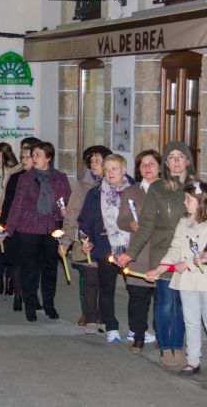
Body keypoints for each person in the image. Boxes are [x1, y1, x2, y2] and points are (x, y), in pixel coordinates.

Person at [117, 141, 195, 367]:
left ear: (188, 161)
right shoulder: (157, 189)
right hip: (162, 251)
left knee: (181, 303)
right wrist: (131, 253)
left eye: (181, 156)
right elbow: (147, 224)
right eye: (172, 157)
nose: (176, 161)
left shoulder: (197, 187)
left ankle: (177, 345)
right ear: (167, 163)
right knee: (164, 303)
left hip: (189, 253)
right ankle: (166, 346)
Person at [5, 142, 71, 322]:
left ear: (48, 158)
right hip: (28, 228)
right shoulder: (25, 178)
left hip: (51, 229)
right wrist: (9, 229)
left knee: (50, 269)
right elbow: (17, 204)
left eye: (38, 155)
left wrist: (65, 211)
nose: (34, 158)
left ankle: (49, 304)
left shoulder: (60, 178)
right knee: (30, 269)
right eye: (33, 155)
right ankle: (31, 305)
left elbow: (66, 200)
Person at [146, 181, 207, 375]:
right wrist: (159, 269)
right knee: (190, 321)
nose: (184, 203)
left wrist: (187, 264)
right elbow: (175, 249)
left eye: (188, 199)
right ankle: (193, 360)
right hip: (187, 282)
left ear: (201, 201)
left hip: (204, 281)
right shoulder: (184, 222)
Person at [78, 154, 134, 344]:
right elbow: (85, 221)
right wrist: (87, 240)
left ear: (124, 170)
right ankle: (110, 325)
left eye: (114, 168)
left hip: (132, 245)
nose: (109, 173)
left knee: (136, 289)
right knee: (106, 287)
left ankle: (137, 328)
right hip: (105, 245)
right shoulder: (95, 194)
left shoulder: (135, 191)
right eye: (107, 168)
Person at [62, 145, 112, 330]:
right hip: (85, 239)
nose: (93, 165)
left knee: (105, 281)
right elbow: (72, 213)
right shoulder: (83, 186)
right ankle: (90, 315)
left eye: (98, 161)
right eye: (91, 161)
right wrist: (66, 239)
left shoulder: (117, 183)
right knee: (89, 279)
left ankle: (105, 317)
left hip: (107, 241)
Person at [117, 149, 161, 353]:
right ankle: (139, 336)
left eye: (151, 164)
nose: (147, 168)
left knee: (163, 300)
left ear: (160, 166)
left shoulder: (167, 191)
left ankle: (163, 335)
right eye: (143, 165)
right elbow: (122, 219)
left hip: (161, 251)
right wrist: (129, 224)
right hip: (139, 252)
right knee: (138, 298)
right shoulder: (132, 191)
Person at [1, 140, 38, 311]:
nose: (24, 161)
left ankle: (31, 295)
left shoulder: (40, 178)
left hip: (33, 227)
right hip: (14, 225)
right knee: (16, 262)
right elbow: (7, 202)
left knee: (32, 264)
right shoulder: (15, 177)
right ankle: (17, 295)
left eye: (28, 157)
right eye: (22, 157)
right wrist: (3, 224)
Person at [0, 143, 22, 294]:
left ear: (2, 154)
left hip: (5, 216)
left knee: (8, 251)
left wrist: (3, 216)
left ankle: (10, 281)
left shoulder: (12, 172)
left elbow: (8, 198)